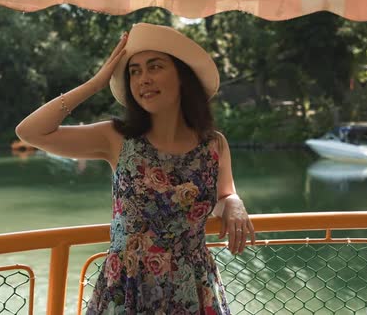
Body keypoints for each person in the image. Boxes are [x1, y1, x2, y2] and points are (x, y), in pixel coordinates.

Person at [15, 23, 256, 314]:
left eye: (155, 67)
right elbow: (30, 132)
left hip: (193, 286)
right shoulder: (116, 138)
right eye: (135, 71)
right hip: (127, 286)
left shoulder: (213, 145)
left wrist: (234, 202)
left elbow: (224, 194)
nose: (144, 79)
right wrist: (96, 83)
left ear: (182, 77)